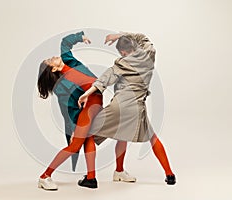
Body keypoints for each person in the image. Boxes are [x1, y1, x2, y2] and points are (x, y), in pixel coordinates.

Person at [78, 32, 176, 185]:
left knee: (87, 134)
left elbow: (103, 80)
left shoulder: (121, 63)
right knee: (150, 138)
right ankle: (169, 175)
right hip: (138, 108)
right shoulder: (149, 55)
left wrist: (86, 94)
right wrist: (118, 35)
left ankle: (90, 178)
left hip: (120, 107)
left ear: (123, 52)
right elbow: (144, 38)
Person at [37, 31, 102, 190]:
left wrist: (80, 38)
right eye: (50, 61)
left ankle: (91, 178)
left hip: (95, 101)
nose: (53, 57)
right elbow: (68, 108)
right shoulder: (62, 86)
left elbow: (65, 42)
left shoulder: (68, 60)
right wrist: (73, 127)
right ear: (52, 69)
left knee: (89, 139)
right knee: (76, 144)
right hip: (89, 106)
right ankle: (45, 176)